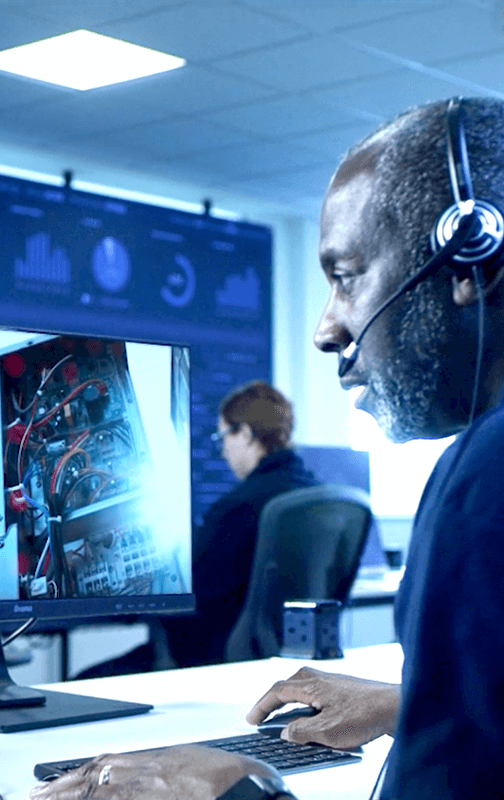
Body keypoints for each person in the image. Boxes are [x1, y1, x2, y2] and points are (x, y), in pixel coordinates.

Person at [30, 96, 504, 800]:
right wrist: (421, 703)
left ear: (468, 254)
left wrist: (233, 789)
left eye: (345, 276)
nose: (326, 330)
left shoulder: (484, 478)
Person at [75, 381, 319, 678]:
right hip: (287, 661)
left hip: (213, 660)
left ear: (244, 433)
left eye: (224, 436)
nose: (223, 452)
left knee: (83, 680)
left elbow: (193, 593)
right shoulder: (317, 495)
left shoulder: (239, 507)